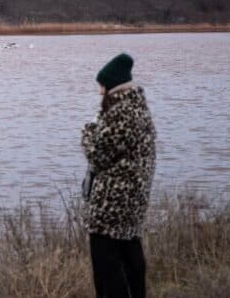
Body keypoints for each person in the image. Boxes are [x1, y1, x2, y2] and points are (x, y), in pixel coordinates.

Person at [80, 52, 156, 298]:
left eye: (102, 86)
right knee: (131, 258)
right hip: (132, 201)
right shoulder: (139, 109)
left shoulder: (120, 114)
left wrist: (88, 130)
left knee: (108, 270)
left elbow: (96, 155)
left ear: (113, 87)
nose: (100, 92)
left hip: (112, 206)